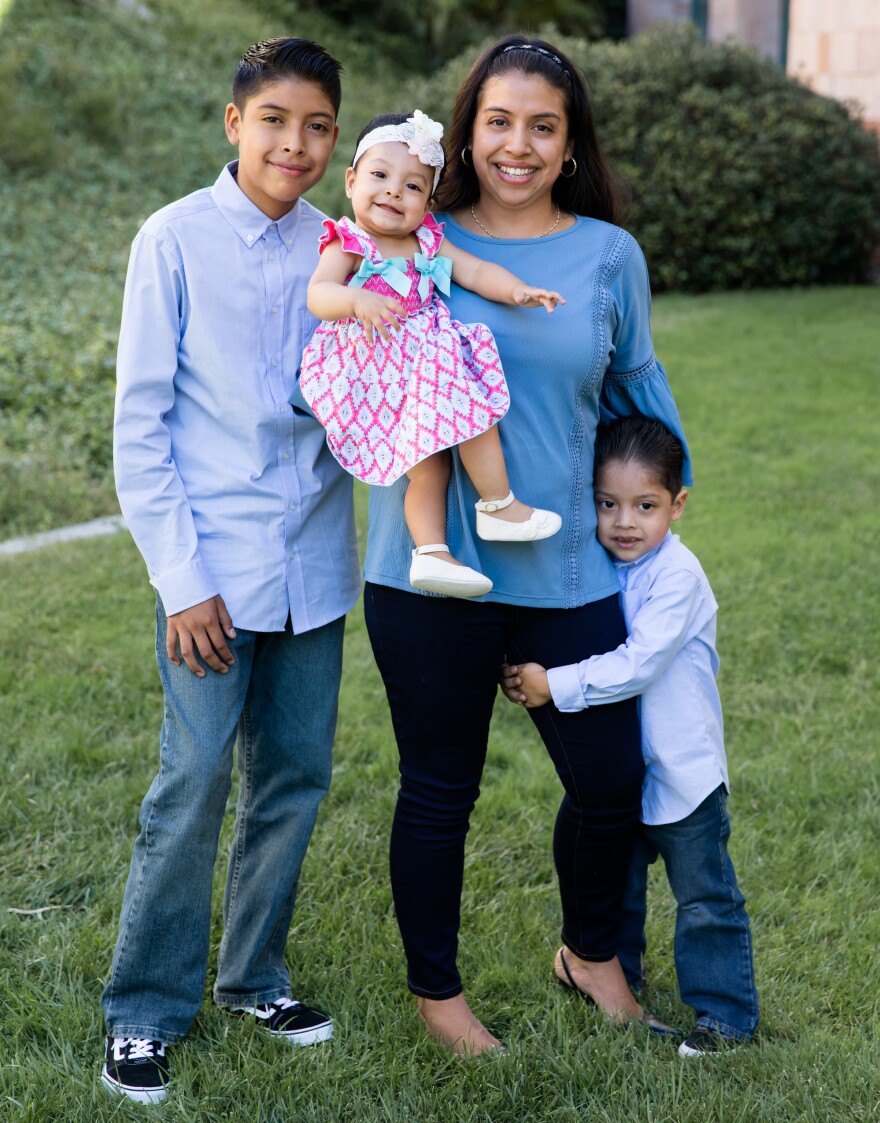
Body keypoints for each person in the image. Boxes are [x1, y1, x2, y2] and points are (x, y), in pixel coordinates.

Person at [362, 34, 692, 1055]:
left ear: (569, 145)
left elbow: (637, 385)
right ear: (466, 130)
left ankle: (590, 953)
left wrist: (675, 504)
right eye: (498, 121)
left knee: (607, 782)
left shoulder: (606, 255)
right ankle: (438, 996)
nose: (517, 143)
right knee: (438, 790)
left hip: (565, 568)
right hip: (430, 573)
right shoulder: (410, 230)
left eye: (542, 126)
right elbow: (328, 356)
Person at [102, 38, 361, 1104]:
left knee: (293, 779)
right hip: (208, 572)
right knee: (195, 780)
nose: (294, 144)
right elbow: (140, 427)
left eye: (316, 126)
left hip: (316, 566)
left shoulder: (344, 249)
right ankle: (143, 1010)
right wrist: (181, 578)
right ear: (232, 122)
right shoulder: (172, 240)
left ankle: (254, 977)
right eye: (274, 121)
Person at [501, 415, 759, 1056]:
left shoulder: (677, 577)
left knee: (704, 896)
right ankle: (617, 977)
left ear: (678, 505)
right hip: (619, 764)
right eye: (607, 504)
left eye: (645, 506)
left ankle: (724, 1016)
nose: (624, 522)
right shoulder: (599, 566)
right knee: (616, 883)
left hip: (680, 771)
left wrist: (551, 684)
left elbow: (639, 664)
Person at [298, 110, 565, 598]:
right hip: (374, 367)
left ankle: (460, 533)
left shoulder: (427, 242)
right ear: (352, 181)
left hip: (423, 370)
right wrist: (356, 299)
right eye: (379, 176)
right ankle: (467, 526)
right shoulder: (351, 242)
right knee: (449, 437)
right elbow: (319, 295)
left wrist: (518, 291)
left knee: (450, 448)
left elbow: (478, 272)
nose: (393, 192)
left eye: (413, 186)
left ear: (430, 202)